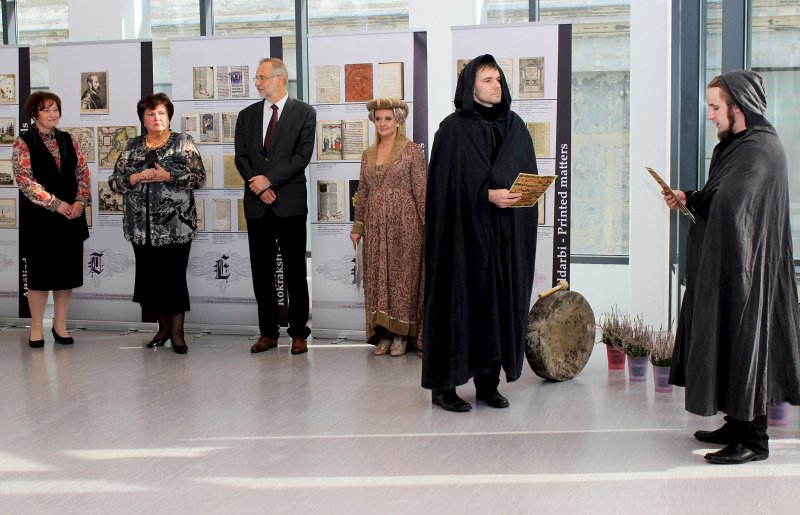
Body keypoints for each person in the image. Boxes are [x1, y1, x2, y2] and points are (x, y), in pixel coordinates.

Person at [665, 70, 800, 464]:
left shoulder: (762, 149)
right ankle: (735, 421)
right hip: (731, 265)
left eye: (714, 107)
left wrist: (700, 200)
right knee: (728, 339)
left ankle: (755, 440)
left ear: (737, 107)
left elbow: (733, 204)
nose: (710, 115)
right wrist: (689, 197)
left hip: (751, 271)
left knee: (746, 341)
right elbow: (718, 197)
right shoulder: (732, 146)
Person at [421, 55, 539, 412]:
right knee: (460, 303)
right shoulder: (453, 129)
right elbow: (441, 189)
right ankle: (444, 387)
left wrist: (523, 194)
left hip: (502, 239)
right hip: (463, 240)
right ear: (470, 85)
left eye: (499, 79)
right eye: (488, 79)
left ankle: (488, 382)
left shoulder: (515, 126)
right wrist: (486, 194)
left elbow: (526, 173)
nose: (496, 85)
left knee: (498, 306)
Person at [108, 93, 205, 354]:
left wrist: (168, 175)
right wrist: (135, 177)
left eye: (161, 113)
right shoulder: (132, 146)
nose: (156, 118)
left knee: (173, 280)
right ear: (143, 118)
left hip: (175, 226)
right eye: (150, 114)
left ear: (169, 115)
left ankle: (178, 334)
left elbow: (199, 178)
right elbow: (114, 182)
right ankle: (162, 329)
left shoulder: (183, 143)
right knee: (151, 281)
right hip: (141, 228)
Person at [234, 57, 316, 355]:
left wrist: (267, 181)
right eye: (257, 78)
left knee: (295, 271)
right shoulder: (246, 115)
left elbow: (301, 157)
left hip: (289, 203)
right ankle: (267, 333)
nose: (257, 82)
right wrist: (258, 185)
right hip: (257, 206)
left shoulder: (304, 113)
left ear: (280, 78)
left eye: (262, 77)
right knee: (262, 271)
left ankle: (298, 333)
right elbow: (241, 157)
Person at [12, 92, 90, 348]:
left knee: (65, 275)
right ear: (34, 113)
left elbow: (82, 172)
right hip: (40, 220)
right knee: (39, 277)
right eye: (46, 110)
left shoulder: (69, 139)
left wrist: (80, 201)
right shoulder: (23, 142)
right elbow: (25, 181)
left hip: (71, 217)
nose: (52, 114)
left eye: (55, 108)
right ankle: (37, 328)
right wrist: (57, 205)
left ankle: (60, 325)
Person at [350, 98, 426, 357]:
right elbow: (363, 192)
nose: (382, 123)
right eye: (379, 118)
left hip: (406, 225)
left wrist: (429, 227)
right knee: (378, 277)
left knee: (403, 278)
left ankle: (402, 336)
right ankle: (383, 334)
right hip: (375, 227)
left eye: (388, 119)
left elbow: (422, 191)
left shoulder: (411, 150)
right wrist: (357, 226)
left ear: (398, 121)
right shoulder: (367, 154)